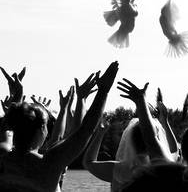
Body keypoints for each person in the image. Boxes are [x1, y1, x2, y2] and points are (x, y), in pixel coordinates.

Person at [0, 61, 119, 192]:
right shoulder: (49, 164)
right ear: (41, 131)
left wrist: (17, 95)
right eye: (46, 126)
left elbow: (8, 126)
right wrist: (103, 91)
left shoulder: (3, 156)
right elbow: (84, 131)